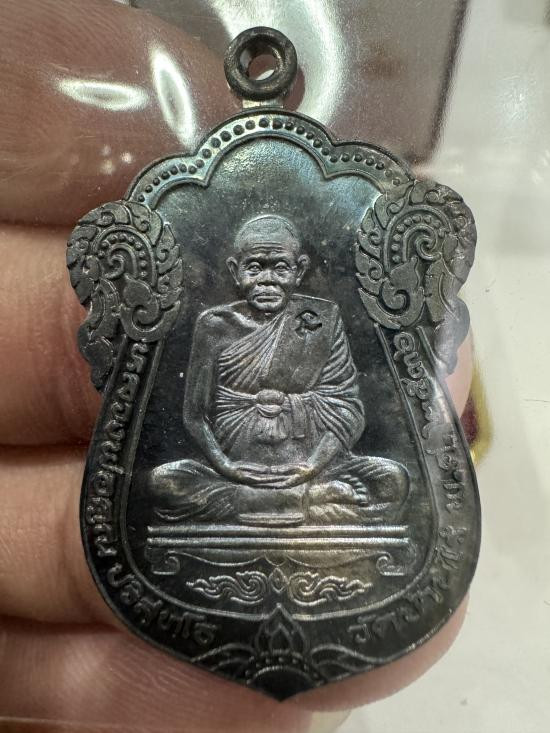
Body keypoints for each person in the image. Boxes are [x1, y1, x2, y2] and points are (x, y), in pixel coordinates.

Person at [151, 214, 409, 525]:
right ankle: (308, 499)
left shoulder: (322, 319)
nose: (267, 280)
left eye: (281, 268)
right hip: (235, 469)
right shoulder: (215, 326)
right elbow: (195, 415)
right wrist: (227, 467)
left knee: (392, 480)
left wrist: (310, 467)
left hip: (310, 467)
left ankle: (265, 499)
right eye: (255, 268)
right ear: (235, 271)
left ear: (299, 270)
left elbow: (346, 410)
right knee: (163, 483)